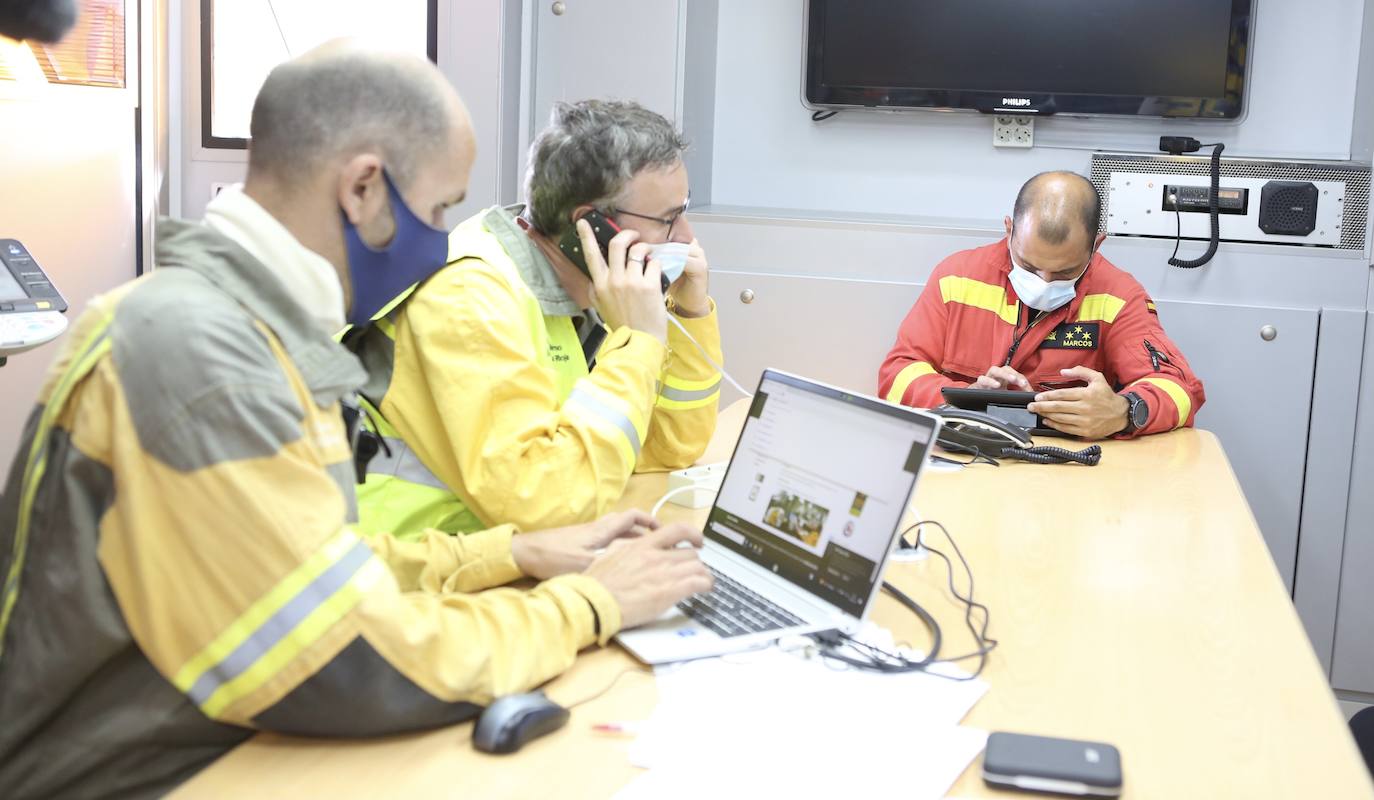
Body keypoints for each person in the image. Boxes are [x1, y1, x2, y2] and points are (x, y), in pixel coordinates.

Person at [0, 43, 710, 800]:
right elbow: (348, 654)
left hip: (198, 733)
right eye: (438, 208)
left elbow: (306, 560)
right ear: (364, 188)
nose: (443, 238)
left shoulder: (231, 323)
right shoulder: (200, 352)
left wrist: (515, 553)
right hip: (138, 774)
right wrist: (593, 603)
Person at [343, 99, 723, 539]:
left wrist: (689, 312)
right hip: (394, 576)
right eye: (668, 219)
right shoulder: (469, 301)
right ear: (593, 227)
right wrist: (638, 340)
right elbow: (544, 503)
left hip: (486, 557)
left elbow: (663, 449)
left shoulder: (576, 293)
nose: (688, 237)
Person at [878, 171, 1204, 439]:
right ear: (1009, 230)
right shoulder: (957, 278)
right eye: (1030, 267)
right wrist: (962, 398)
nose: (1045, 282)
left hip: (1071, 476)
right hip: (968, 453)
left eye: (1065, 271)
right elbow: (897, 375)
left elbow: (1179, 390)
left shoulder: (1118, 295)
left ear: (1096, 245)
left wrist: (1124, 412)